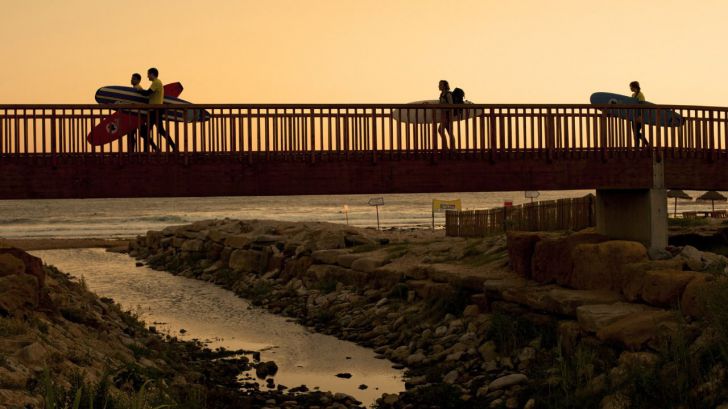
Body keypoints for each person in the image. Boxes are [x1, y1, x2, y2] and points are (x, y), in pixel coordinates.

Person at [139, 68, 177, 151]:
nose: (147, 76)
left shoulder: (156, 82)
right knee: (158, 130)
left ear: (152, 74)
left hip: (155, 110)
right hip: (156, 110)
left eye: (148, 74)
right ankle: (173, 146)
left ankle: (148, 150)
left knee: (148, 131)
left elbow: (147, 93)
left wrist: (138, 91)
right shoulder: (157, 82)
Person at [126, 73, 159, 152]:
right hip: (135, 115)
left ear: (138, 80)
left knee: (140, 134)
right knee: (135, 134)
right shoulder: (136, 88)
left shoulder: (137, 88)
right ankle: (133, 151)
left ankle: (133, 152)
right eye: (131, 78)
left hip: (137, 116)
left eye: (133, 79)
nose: (131, 80)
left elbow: (138, 101)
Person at [630, 81, 649, 148]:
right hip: (633, 116)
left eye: (631, 87)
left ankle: (647, 144)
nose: (630, 88)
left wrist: (640, 116)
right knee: (635, 133)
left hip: (639, 116)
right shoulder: (633, 95)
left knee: (637, 132)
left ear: (634, 87)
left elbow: (642, 106)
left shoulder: (640, 95)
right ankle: (637, 147)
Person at [437, 80, 455, 150]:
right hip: (444, 116)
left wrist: (450, 117)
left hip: (448, 116)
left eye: (440, 84)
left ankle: (449, 148)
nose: (439, 86)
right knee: (448, 132)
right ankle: (449, 148)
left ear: (444, 86)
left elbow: (451, 106)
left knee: (442, 130)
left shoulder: (448, 94)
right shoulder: (442, 94)